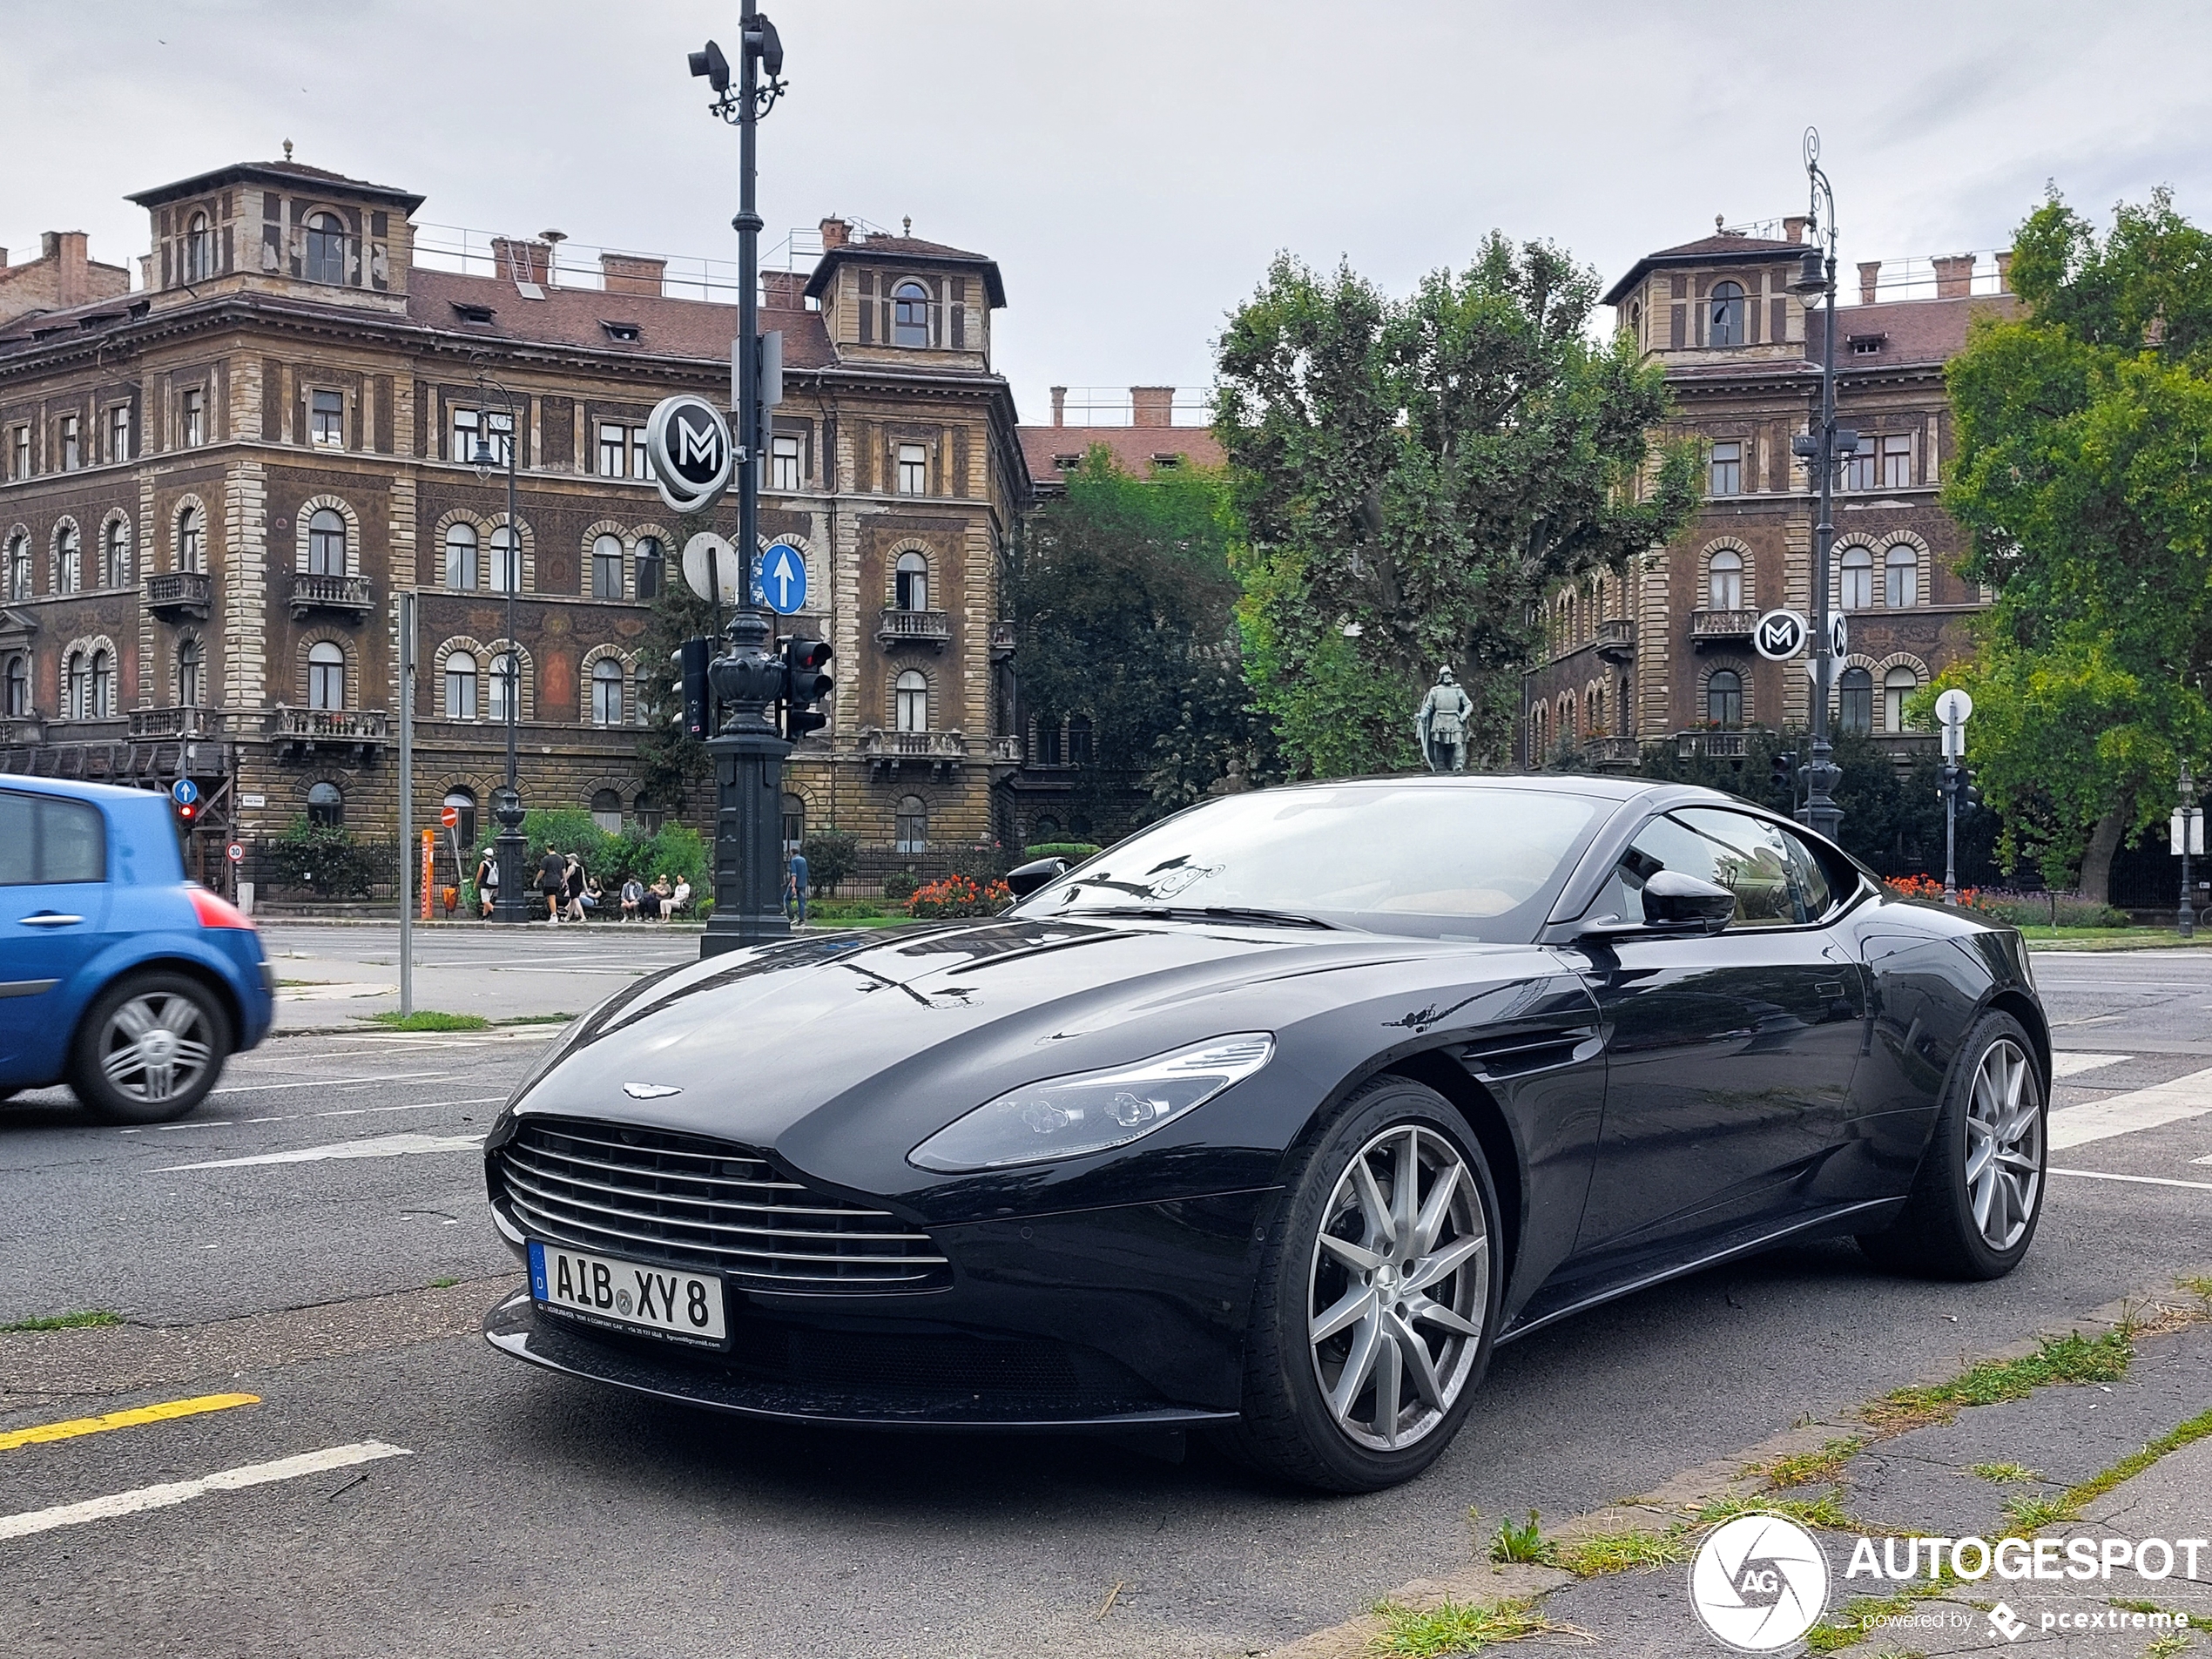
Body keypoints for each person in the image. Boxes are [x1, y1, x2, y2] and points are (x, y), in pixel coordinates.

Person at [538, 846, 565, 923]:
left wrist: (536, 880)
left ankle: (554, 915)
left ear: (548, 849)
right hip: (557, 880)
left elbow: (542, 871)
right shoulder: (560, 858)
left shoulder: (546, 859)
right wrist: (565, 881)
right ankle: (553, 914)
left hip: (550, 880)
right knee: (552, 897)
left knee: (551, 897)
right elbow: (563, 871)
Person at [786, 848, 810, 924]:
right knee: (801, 902)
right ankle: (802, 920)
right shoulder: (803, 860)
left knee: (787, 899)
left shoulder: (794, 860)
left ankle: (791, 917)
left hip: (796, 884)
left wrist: (793, 886)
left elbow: (794, 874)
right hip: (803, 884)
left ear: (792, 853)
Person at [562, 855, 586, 922]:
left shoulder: (571, 867)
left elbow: (566, 876)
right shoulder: (581, 868)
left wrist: (563, 883)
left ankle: (583, 916)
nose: (567, 860)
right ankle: (567, 917)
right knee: (572, 902)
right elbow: (583, 879)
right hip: (579, 887)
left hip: (573, 887)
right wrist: (586, 889)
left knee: (576, 901)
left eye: (568, 858)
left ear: (572, 859)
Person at [475, 848, 498, 920]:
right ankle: (484, 916)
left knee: (485, 901)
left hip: (485, 885)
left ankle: (497, 912)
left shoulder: (483, 863)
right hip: (494, 885)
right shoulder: (495, 864)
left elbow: (479, 874)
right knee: (487, 901)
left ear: (485, 855)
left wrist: (476, 883)